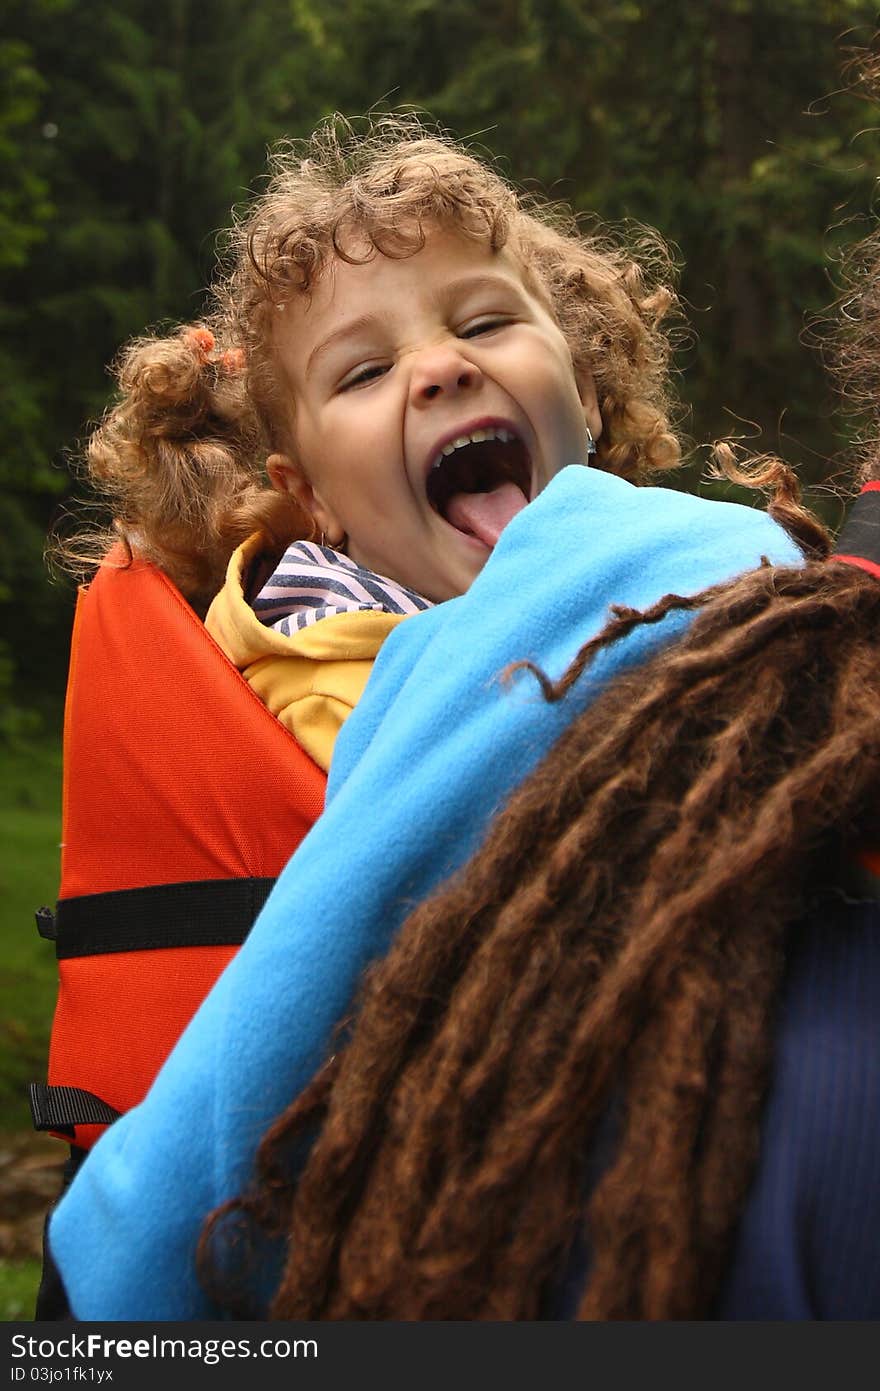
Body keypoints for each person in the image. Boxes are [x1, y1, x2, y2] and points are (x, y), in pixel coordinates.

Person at [65, 114, 687, 769]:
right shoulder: (332, 691)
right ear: (312, 497)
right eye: (367, 371)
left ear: (582, 391)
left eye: (483, 324)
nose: (440, 367)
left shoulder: (681, 568)